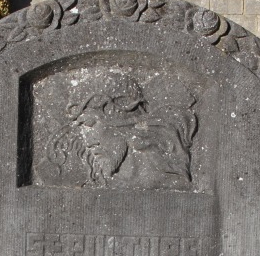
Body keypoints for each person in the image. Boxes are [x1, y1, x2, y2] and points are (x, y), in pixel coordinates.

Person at [46, 72, 197, 190]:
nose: (88, 140)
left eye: (90, 123)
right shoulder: (97, 182)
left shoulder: (172, 181)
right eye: (82, 129)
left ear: (122, 117)